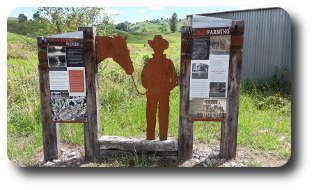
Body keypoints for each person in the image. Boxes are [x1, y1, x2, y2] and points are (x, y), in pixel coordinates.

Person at [141, 35, 178, 140]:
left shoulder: (167, 63)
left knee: (163, 116)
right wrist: (152, 88)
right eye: (156, 47)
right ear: (154, 48)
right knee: (151, 116)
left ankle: (162, 137)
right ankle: (151, 137)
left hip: (161, 94)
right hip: (154, 94)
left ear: (162, 48)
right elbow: (143, 78)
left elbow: (175, 80)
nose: (157, 49)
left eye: (159, 47)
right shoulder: (150, 63)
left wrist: (165, 89)